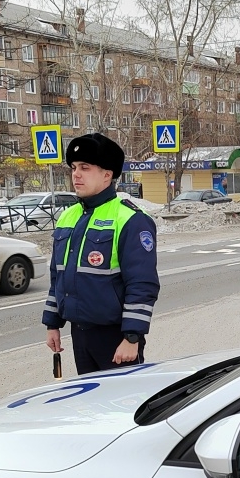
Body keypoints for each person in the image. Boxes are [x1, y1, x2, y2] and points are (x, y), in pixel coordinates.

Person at [43, 132, 159, 374]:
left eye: (85, 168)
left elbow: (142, 283)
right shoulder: (68, 217)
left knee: (124, 397)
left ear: (107, 174)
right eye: (74, 167)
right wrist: (52, 324)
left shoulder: (130, 219)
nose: (76, 174)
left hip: (116, 336)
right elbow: (58, 277)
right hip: (80, 334)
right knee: (91, 397)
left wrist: (132, 336)